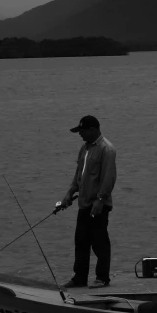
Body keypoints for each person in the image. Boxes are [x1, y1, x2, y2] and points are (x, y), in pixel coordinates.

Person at [59, 115, 117, 289]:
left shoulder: (107, 149)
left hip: (98, 205)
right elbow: (79, 174)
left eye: (82, 131)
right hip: (83, 204)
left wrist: (100, 200)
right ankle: (80, 277)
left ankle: (102, 277)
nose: (80, 135)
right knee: (81, 241)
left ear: (92, 130)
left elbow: (109, 178)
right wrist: (69, 193)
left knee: (99, 242)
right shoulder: (84, 148)